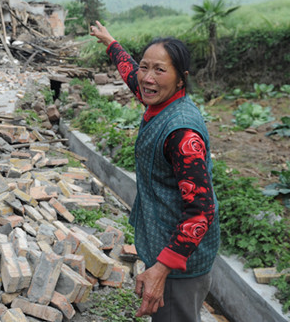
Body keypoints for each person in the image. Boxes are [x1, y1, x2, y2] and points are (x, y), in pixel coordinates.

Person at [90, 21, 220, 322]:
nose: (147, 78)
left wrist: (162, 269)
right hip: (164, 245)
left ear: (180, 80)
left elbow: (201, 211)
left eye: (159, 70)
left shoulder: (182, 133)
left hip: (178, 264)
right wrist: (111, 42)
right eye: (144, 67)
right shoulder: (159, 98)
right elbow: (130, 72)